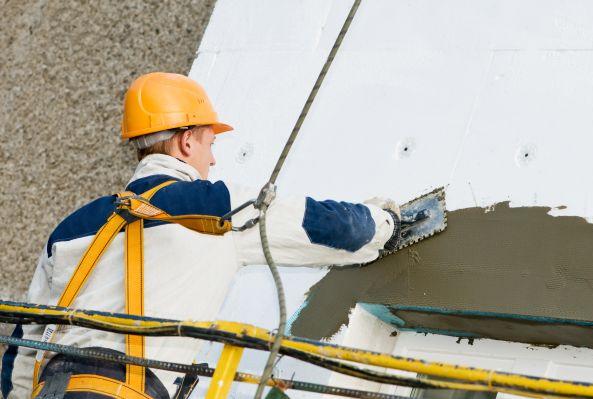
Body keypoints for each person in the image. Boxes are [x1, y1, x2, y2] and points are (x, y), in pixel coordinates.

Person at [1, 72, 402, 399]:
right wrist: (386, 224)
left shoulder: (69, 230)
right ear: (185, 140)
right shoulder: (212, 207)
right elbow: (319, 226)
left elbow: (24, 346)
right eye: (210, 142)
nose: (213, 157)